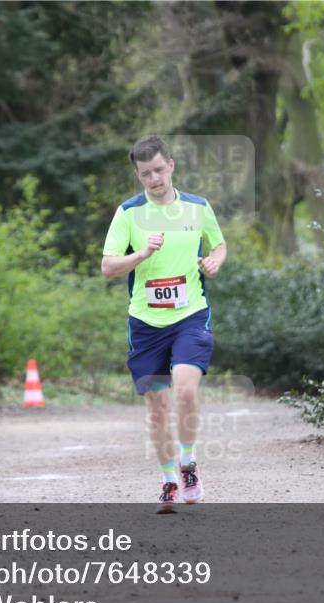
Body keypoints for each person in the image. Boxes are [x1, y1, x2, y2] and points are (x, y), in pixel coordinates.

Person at [101, 135, 227, 512]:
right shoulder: (128, 213)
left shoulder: (198, 207)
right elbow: (108, 267)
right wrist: (141, 254)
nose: (154, 179)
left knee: (186, 392)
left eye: (159, 170)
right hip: (145, 323)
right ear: (138, 176)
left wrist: (215, 261)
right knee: (157, 407)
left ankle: (188, 463)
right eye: (146, 174)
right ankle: (169, 480)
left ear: (171, 165)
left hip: (190, 315)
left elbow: (219, 245)